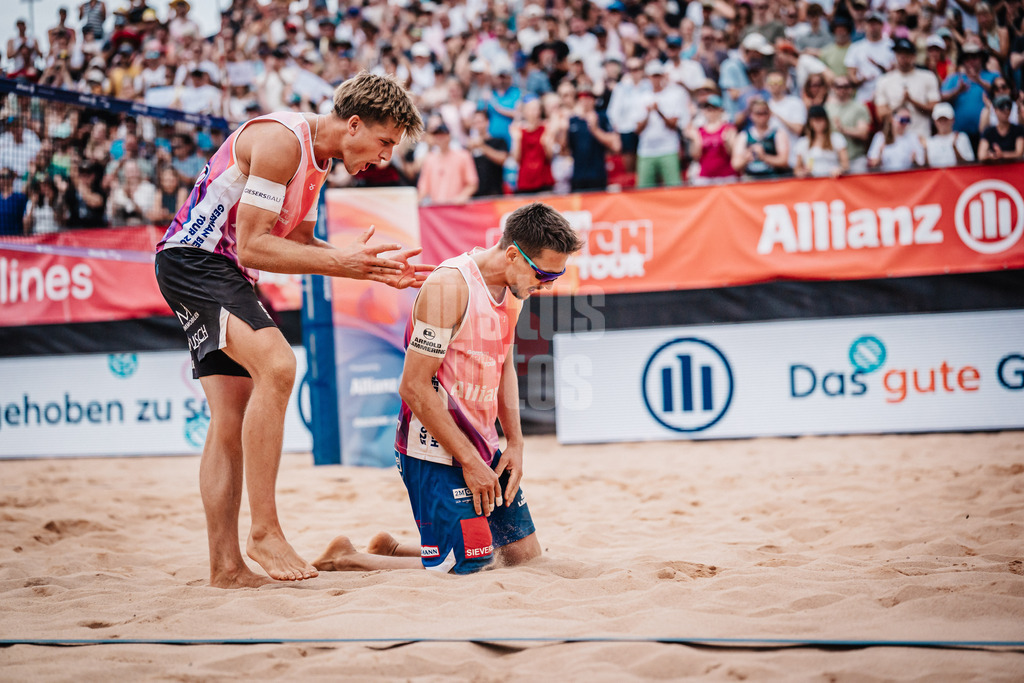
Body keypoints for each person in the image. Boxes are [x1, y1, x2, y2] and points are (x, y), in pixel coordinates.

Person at [153, 72, 428, 589]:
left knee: (230, 419)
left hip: (222, 270)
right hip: (197, 262)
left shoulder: (319, 161)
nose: (386, 157)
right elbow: (256, 245)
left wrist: (368, 267)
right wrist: (345, 265)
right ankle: (265, 531)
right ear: (352, 125)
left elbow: (300, 240)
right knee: (279, 366)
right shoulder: (283, 141)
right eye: (385, 141)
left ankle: (227, 569)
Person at [313, 202, 583, 575]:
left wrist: (516, 444)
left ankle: (391, 548)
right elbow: (412, 386)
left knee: (523, 559)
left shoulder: (514, 292)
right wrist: (470, 463)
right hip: (432, 450)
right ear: (512, 255)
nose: (547, 285)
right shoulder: (449, 287)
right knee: (468, 567)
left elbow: (504, 366)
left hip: (481, 445)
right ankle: (346, 556)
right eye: (544, 275)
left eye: (556, 276)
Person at [562, 87, 621, 192]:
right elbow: (564, 150)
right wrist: (563, 130)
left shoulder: (602, 118)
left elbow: (616, 146)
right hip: (578, 175)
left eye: (588, 97)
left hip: (597, 174)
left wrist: (595, 130)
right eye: (581, 98)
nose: (585, 101)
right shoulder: (573, 120)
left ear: (594, 100)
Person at [417, 122, 478, 205]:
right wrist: (418, 200)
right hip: (436, 208)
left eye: (442, 135)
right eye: (437, 135)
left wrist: (462, 196)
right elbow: (424, 187)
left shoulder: (463, 156)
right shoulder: (429, 159)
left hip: (457, 207)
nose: (440, 138)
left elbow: (472, 183)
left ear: (449, 136)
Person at [732, 97, 790, 178]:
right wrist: (747, 157)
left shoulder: (778, 134)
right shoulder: (744, 135)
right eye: (758, 113)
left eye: (764, 113)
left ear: (769, 114)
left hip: (773, 179)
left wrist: (764, 157)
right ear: (751, 115)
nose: (762, 117)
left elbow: (784, 161)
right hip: (751, 180)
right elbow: (735, 164)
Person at [685, 94, 737, 184]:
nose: (710, 111)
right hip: (705, 176)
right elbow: (695, 156)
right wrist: (696, 140)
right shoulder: (699, 131)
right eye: (707, 108)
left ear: (720, 110)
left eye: (713, 108)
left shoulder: (729, 129)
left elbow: (733, 154)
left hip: (726, 175)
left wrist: (727, 142)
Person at [794, 104, 850, 178]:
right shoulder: (802, 142)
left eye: (820, 120)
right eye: (815, 121)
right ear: (810, 122)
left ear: (826, 121)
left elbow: (845, 165)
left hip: (833, 181)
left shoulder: (837, 138)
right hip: (812, 183)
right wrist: (802, 173)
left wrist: (840, 169)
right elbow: (797, 169)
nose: (818, 124)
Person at [867, 105, 925, 171]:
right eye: (902, 120)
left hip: (906, 177)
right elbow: (872, 163)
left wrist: (915, 162)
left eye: (908, 120)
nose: (905, 123)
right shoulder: (880, 137)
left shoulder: (913, 138)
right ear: (892, 118)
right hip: (886, 177)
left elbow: (921, 163)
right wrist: (879, 158)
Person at [923, 102, 975, 167]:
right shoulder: (929, 142)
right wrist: (925, 150)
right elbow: (927, 169)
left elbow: (970, 165)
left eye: (945, 119)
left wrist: (955, 148)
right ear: (935, 122)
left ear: (952, 120)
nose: (943, 123)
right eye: (940, 120)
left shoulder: (962, 137)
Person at [978, 95, 1024, 161]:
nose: (1006, 111)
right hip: (994, 169)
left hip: (1014, 169)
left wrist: (1002, 155)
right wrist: (990, 156)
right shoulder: (988, 131)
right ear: (995, 110)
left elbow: (1019, 153)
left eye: (1009, 108)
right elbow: (981, 155)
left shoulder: (1018, 129)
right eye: (1002, 108)